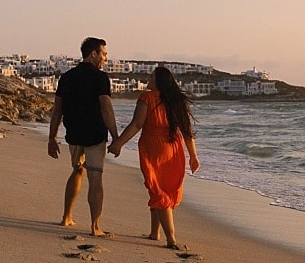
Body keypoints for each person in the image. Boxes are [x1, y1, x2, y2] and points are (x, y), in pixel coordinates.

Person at [109, 65, 201, 250]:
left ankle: (171, 239)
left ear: (159, 81)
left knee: (157, 190)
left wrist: (119, 143)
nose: (149, 79)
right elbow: (187, 131)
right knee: (161, 189)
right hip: (174, 150)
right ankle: (154, 233)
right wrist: (193, 155)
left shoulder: (146, 98)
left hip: (154, 148)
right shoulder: (176, 101)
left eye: (152, 76)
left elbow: (136, 124)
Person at [48, 37, 119, 236]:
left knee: (78, 171)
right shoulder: (100, 78)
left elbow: (57, 110)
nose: (106, 58)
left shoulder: (67, 77)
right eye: (103, 54)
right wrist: (115, 137)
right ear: (93, 53)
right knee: (95, 178)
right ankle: (95, 227)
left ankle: (66, 217)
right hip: (95, 135)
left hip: (74, 135)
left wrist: (52, 138)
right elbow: (106, 108)